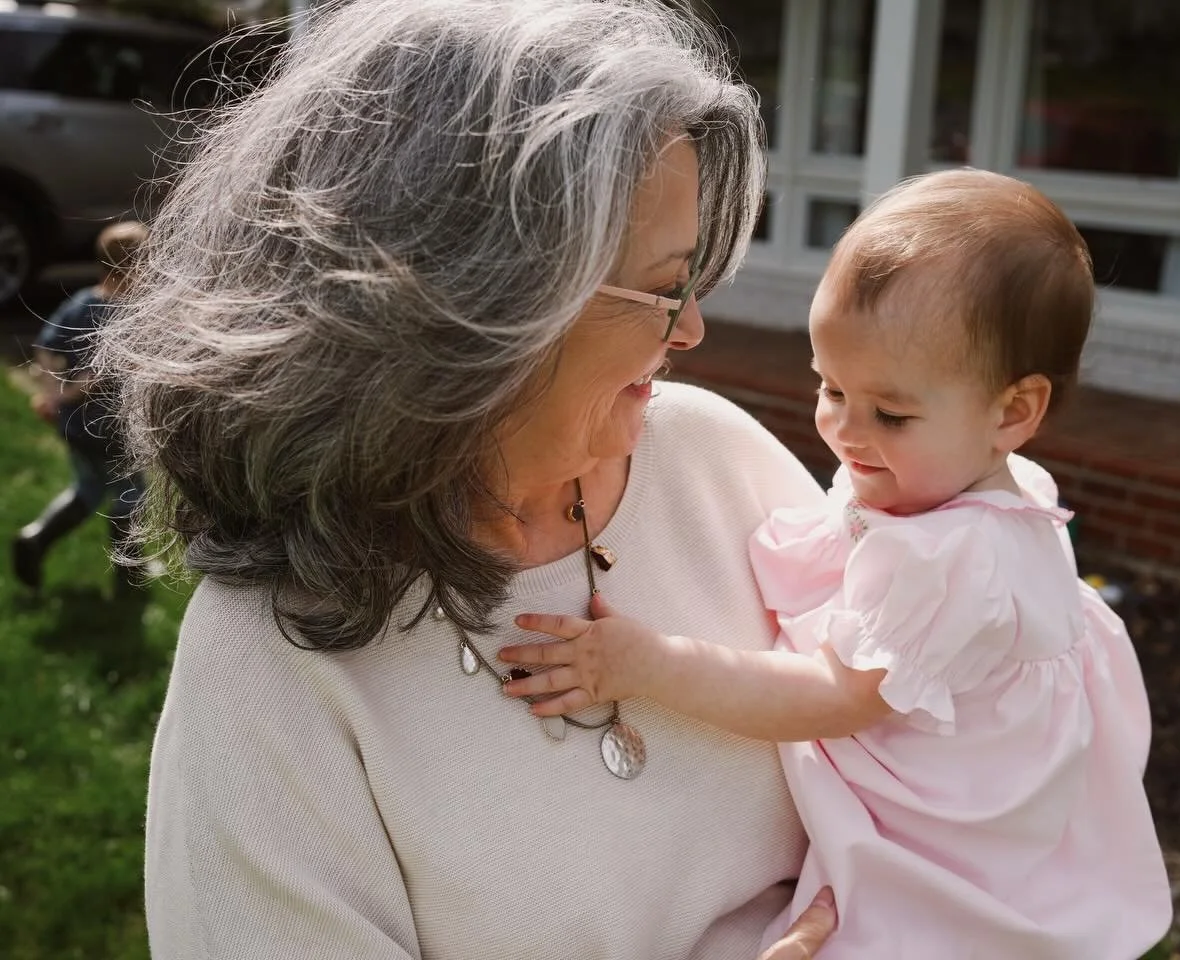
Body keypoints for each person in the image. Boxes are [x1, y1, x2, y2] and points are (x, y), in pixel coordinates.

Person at [93, 1, 836, 957]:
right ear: (479, 310)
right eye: (661, 287)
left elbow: (943, 743)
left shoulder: (716, 461)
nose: (689, 329)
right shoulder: (268, 661)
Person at [500, 170, 1175, 958]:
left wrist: (651, 664)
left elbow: (829, 696)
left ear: (1014, 412)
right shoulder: (966, 482)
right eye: (829, 387)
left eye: (890, 412)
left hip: (948, 853)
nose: (846, 432)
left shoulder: (949, 558)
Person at [13, 220, 150, 591]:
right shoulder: (132, 314)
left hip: (76, 427)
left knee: (88, 489)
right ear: (138, 268)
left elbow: (44, 348)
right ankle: (130, 576)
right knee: (130, 494)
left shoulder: (80, 303)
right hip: (112, 429)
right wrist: (68, 392)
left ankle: (35, 538)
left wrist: (51, 392)